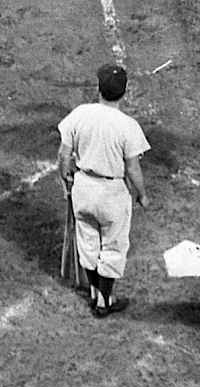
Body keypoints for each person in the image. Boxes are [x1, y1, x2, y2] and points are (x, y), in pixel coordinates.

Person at [57, 64, 150, 317]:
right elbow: (133, 168)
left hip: (83, 187)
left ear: (98, 88)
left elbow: (64, 154)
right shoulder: (128, 125)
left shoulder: (80, 113)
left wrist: (65, 176)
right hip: (112, 194)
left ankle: (96, 293)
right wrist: (142, 194)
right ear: (124, 92)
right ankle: (104, 301)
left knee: (87, 242)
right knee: (113, 246)